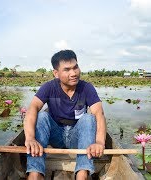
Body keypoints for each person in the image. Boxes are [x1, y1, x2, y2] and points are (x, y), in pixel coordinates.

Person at [23, 49, 107, 180]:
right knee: (41, 116)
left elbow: (99, 114)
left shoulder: (86, 88)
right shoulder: (49, 87)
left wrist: (99, 142)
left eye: (75, 67)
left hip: (77, 137)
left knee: (88, 118)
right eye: (67, 70)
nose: (73, 73)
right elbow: (32, 108)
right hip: (56, 136)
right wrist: (30, 138)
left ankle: (82, 173)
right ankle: (35, 172)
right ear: (56, 73)